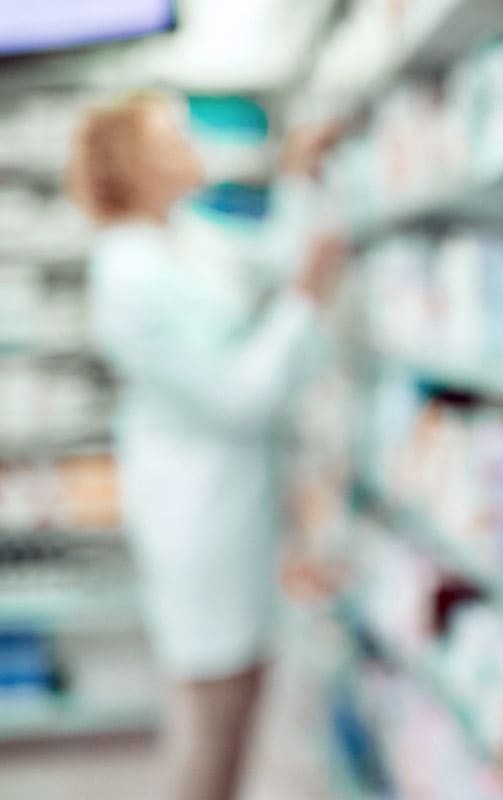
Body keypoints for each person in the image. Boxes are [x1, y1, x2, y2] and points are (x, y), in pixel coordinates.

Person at [65, 91, 345, 800]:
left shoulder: (180, 232)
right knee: (211, 722)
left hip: (233, 504)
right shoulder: (128, 270)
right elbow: (238, 396)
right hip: (198, 513)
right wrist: (307, 299)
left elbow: (270, 259)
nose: (194, 145)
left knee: (242, 695)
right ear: (134, 160)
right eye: (173, 135)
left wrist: (296, 176)